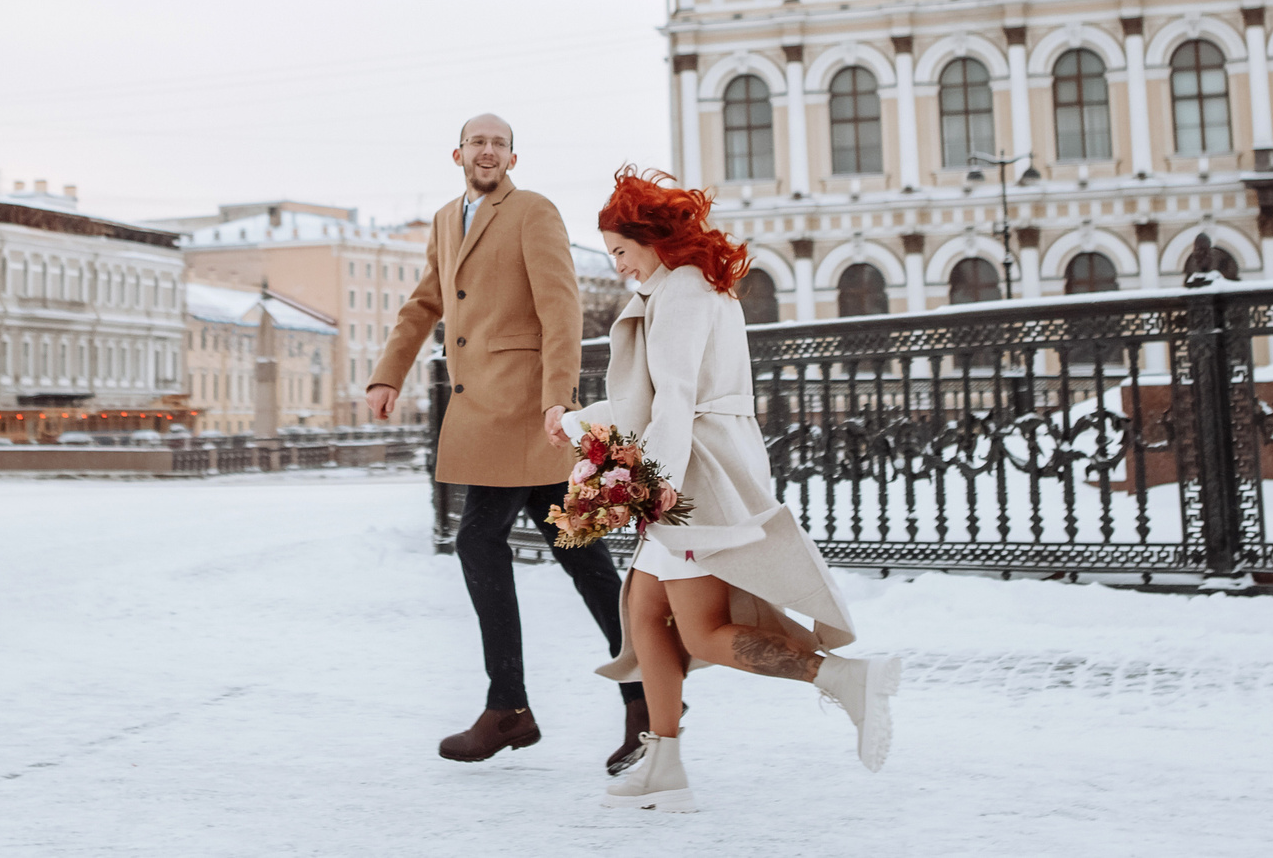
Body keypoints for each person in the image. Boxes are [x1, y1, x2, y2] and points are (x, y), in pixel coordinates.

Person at [572, 167, 899, 813]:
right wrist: (581, 423)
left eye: (619, 249)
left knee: (701, 630)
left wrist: (651, 487)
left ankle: (844, 678)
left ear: (649, 236)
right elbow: (653, 401)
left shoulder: (686, 291)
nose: (617, 266)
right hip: (690, 469)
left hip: (694, 477)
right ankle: (664, 762)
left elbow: (675, 403)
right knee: (642, 611)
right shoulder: (684, 287)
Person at [367, 114, 650, 770]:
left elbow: (561, 306)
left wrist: (559, 395)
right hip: (484, 410)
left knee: (478, 537)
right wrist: (389, 373)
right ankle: (646, 693)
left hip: (526, 409)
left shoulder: (532, 211)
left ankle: (509, 706)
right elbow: (423, 303)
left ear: (512, 154)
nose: (487, 150)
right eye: (477, 141)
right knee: (581, 554)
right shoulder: (446, 219)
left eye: (498, 142)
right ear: (458, 152)